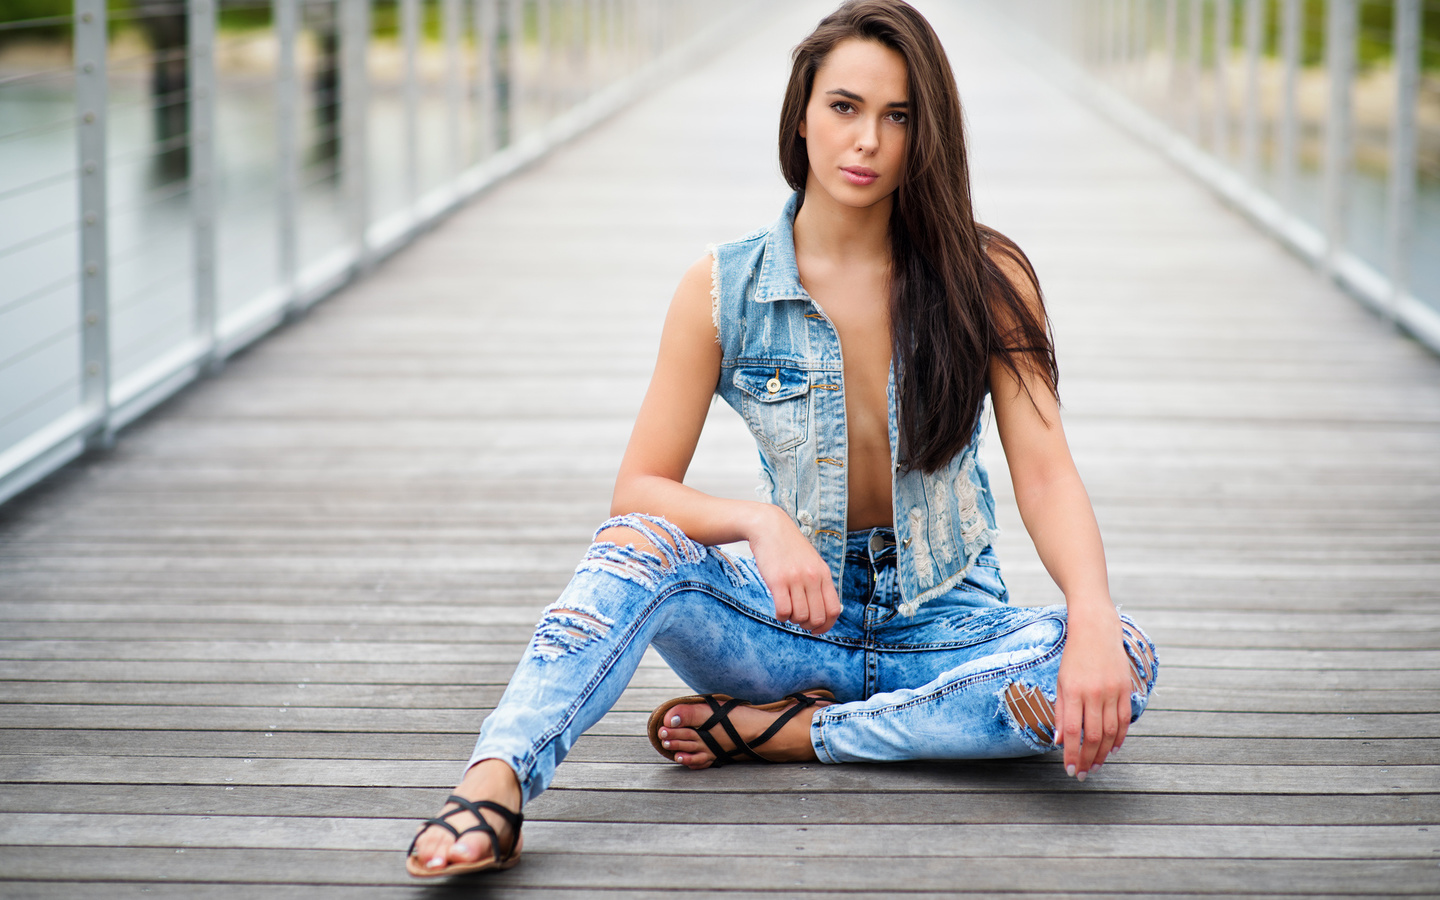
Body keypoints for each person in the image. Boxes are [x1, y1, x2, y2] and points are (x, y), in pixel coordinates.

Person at [405, 0, 1158, 878]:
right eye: (845, 106)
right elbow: (639, 491)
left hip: (950, 632)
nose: (868, 140)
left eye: (898, 115)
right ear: (801, 112)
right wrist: (761, 525)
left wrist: (1094, 619)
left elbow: (1046, 474)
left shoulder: (988, 279)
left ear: (929, 134)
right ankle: (497, 778)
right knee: (634, 548)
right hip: (790, 627)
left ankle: (805, 734)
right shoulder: (721, 290)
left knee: (1126, 654)